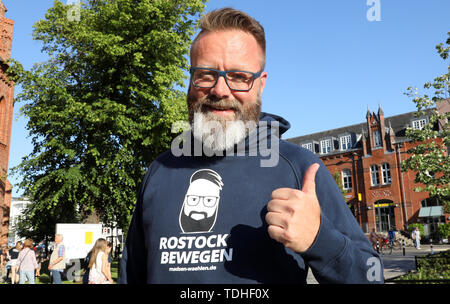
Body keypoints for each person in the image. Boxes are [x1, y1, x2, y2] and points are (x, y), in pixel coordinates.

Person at [119, 7, 383, 284]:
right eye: (206, 74)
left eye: (238, 77)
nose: (220, 90)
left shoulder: (302, 170)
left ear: (260, 84)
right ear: (190, 78)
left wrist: (320, 240)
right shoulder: (159, 170)